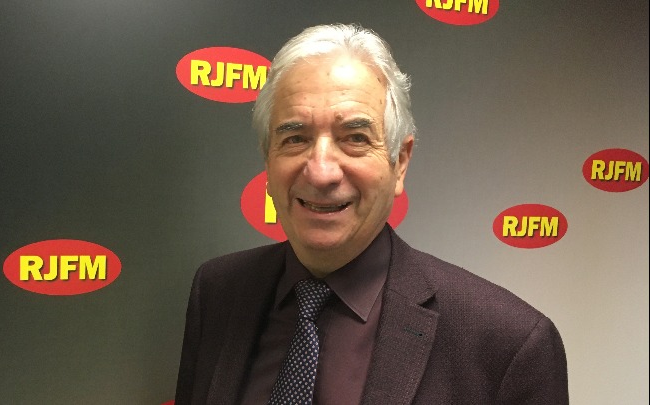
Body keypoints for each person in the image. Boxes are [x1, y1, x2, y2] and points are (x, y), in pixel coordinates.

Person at [174, 24, 568, 404]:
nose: (321, 172)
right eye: (295, 138)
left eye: (355, 138)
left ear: (400, 163)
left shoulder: (508, 345)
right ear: (268, 160)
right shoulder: (218, 292)